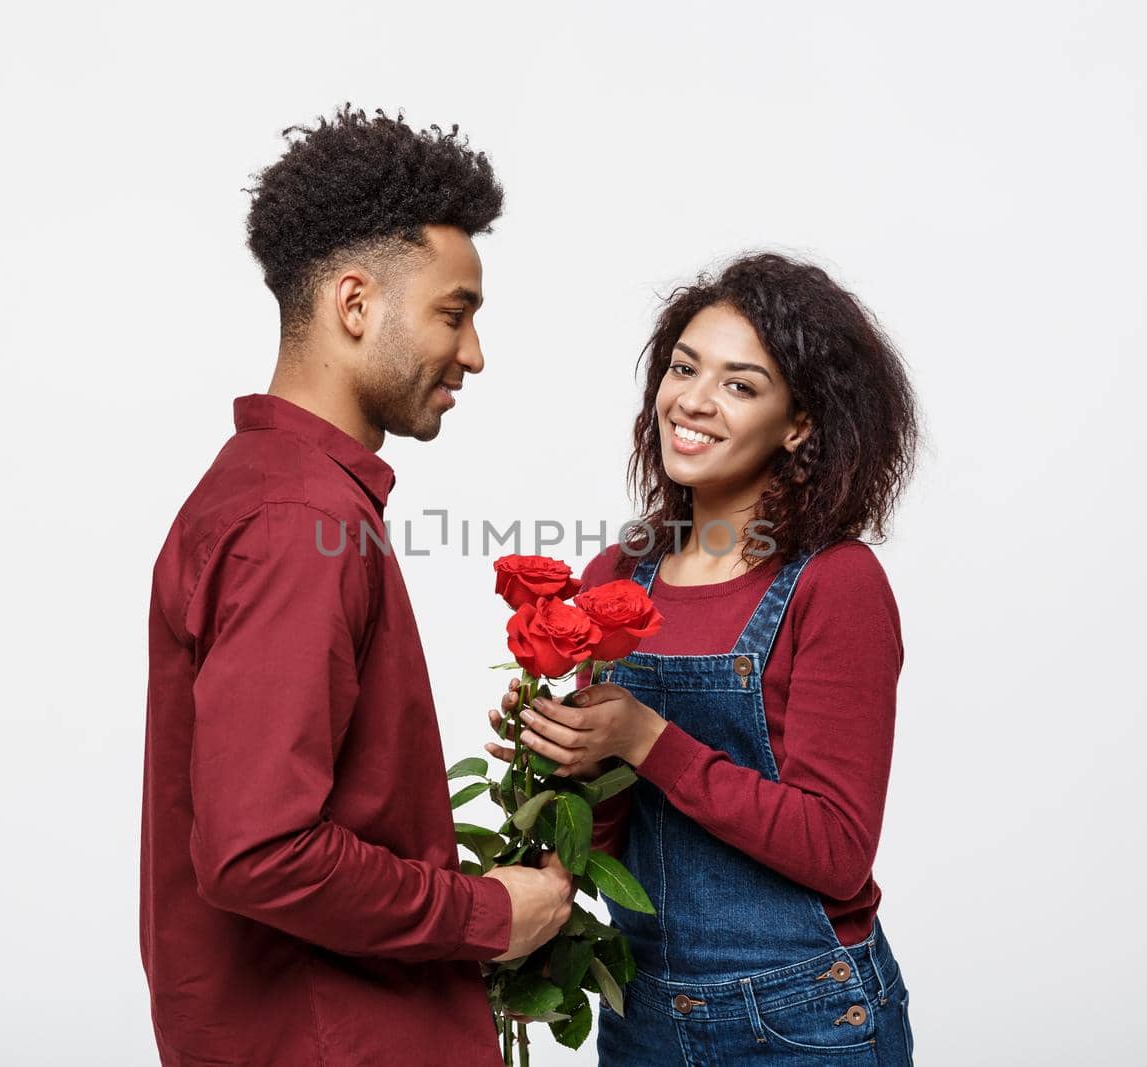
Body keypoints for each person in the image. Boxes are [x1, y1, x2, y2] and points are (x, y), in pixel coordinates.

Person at [141, 106, 574, 1067]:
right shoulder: (295, 523)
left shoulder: (281, 497)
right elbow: (258, 851)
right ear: (354, 304)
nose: (473, 354)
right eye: (454, 314)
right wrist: (485, 912)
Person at [487, 252, 920, 1065]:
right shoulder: (619, 574)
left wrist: (646, 739)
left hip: (805, 1015)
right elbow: (611, 833)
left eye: (739, 383)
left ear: (800, 424)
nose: (693, 399)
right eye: (684, 367)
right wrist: (556, 769)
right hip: (642, 1009)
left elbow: (835, 848)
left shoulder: (835, 583)